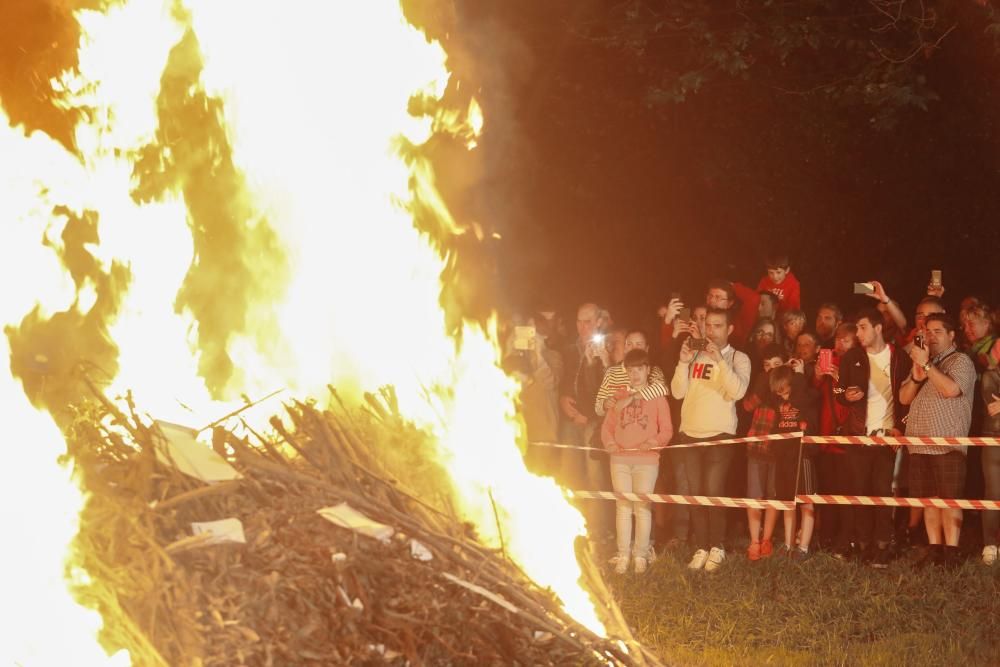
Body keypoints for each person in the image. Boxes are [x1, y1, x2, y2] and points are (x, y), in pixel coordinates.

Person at [671, 307, 751, 572]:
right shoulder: (693, 355)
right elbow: (677, 392)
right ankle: (701, 547)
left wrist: (719, 360)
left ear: (729, 329)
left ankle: (717, 546)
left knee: (714, 491)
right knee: (695, 493)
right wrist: (683, 361)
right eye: (709, 325)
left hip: (720, 434)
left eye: (718, 325)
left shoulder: (739, 358)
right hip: (690, 433)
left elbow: (737, 391)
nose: (712, 330)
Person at [836, 308, 912, 567]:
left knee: (882, 493)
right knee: (859, 492)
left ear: (878, 328)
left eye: (862, 327)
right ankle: (864, 545)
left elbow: (909, 397)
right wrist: (844, 395)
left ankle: (882, 546)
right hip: (858, 436)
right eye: (856, 328)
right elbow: (837, 387)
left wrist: (901, 426)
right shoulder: (852, 356)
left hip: (887, 437)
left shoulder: (900, 357)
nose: (858, 333)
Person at [900, 313, 976, 567]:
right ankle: (934, 550)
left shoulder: (961, 361)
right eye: (927, 332)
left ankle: (951, 552)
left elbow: (951, 390)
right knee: (929, 501)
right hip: (919, 443)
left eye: (937, 331)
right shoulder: (923, 362)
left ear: (952, 335)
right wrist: (917, 371)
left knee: (949, 500)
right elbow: (904, 398)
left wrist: (928, 366)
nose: (931, 336)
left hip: (947, 444)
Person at [602, 349, 674, 574]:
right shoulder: (620, 396)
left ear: (648, 370)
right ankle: (623, 554)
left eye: (640, 369)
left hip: (647, 461)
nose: (635, 374)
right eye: (631, 370)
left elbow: (667, 430)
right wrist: (610, 444)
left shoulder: (657, 397)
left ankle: (640, 554)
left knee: (642, 508)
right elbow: (607, 427)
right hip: (620, 460)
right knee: (623, 507)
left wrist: (654, 442)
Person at [558, 303, 610, 490]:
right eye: (579, 322)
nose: (582, 327)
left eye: (587, 322)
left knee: (594, 477)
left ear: (599, 322)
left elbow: (607, 389)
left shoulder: (607, 348)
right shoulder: (569, 347)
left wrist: (603, 361)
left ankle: (597, 520)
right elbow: (564, 379)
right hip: (570, 419)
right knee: (569, 475)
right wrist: (563, 399)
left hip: (593, 422)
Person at [595, 330, 667, 416]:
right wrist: (605, 404)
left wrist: (631, 398)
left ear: (647, 349)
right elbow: (598, 408)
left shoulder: (652, 371)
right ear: (625, 348)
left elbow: (663, 389)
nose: (633, 348)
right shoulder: (612, 372)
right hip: (615, 425)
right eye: (629, 344)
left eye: (638, 344)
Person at [981, 364, 1000, 565]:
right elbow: (993, 408)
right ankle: (990, 544)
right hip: (994, 438)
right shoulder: (991, 375)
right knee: (994, 493)